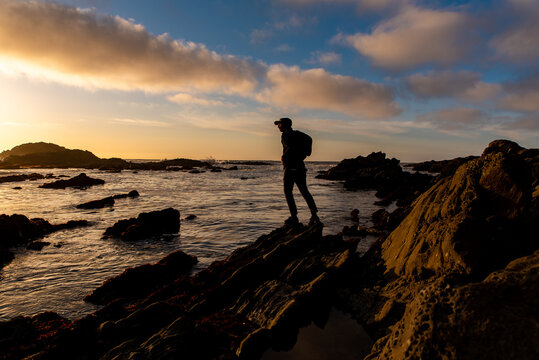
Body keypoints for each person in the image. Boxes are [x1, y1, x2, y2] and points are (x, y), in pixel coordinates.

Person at [274, 117, 320, 225]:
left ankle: (294, 216)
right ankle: (314, 214)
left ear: (284, 125)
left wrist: (284, 157)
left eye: (279, 124)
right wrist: (305, 154)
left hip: (291, 167)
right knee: (304, 191)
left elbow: (291, 148)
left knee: (288, 191)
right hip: (300, 166)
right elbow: (309, 139)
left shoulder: (285, 135)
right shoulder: (297, 134)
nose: (277, 126)